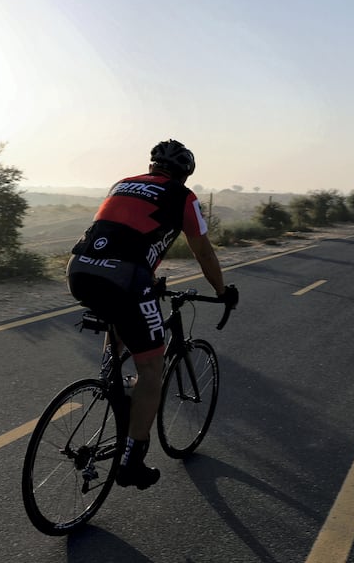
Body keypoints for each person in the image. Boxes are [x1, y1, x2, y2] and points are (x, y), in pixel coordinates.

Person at [66, 139, 239, 490]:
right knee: (151, 371)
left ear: (151, 166)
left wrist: (148, 279)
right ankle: (132, 460)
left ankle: (110, 380)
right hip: (125, 277)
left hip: (80, 269)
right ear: (186, 174)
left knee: (117, 313)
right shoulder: (183, 197)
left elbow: (122, 233)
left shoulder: (123, 183)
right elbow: (203, 252)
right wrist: (223, 292)